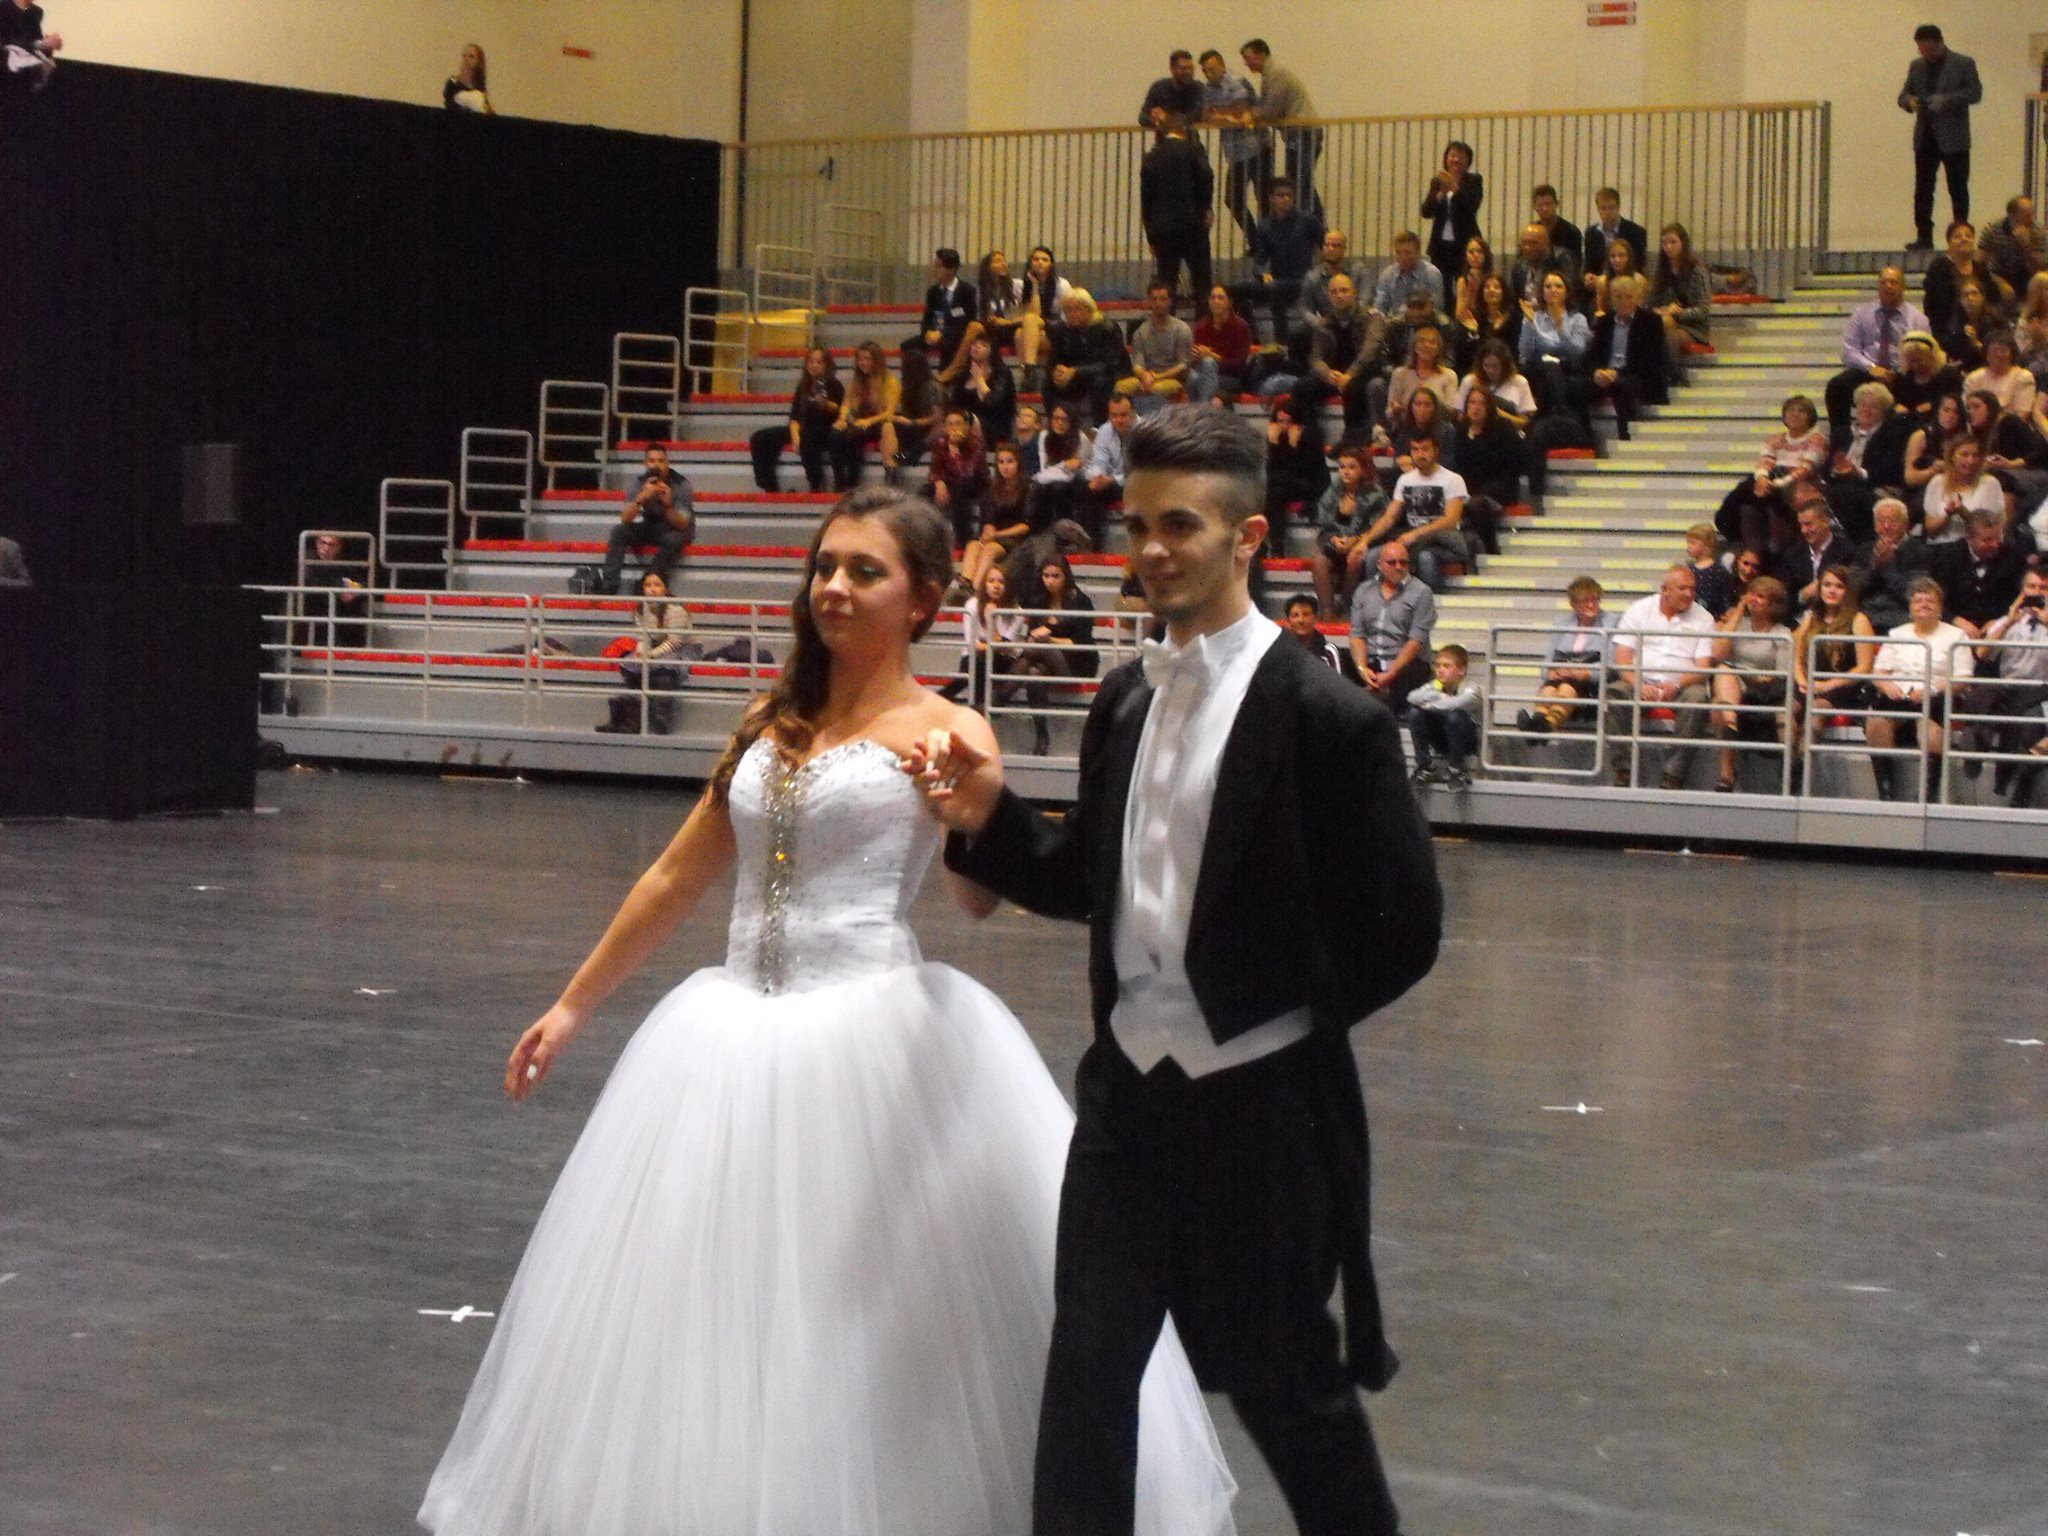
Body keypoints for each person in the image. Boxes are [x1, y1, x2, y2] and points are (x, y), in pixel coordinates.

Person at [423, 487, 1239, 1536]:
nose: (834, 588)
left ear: (923, 599)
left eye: (864, 571)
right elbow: (677, 874)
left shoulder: (951, 727)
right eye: (825, 566)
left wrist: (964, 812)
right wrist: (574, 1005)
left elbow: (975, 898)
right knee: (712, 1300)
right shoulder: (771, 720)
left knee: (850, 1306)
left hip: (869, 1034)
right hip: (726, 1035)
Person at [917, 407, 1442, 1536]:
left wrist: (1268, 1010)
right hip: (1123, 1107)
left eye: (1181, 526)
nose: (1151, 549)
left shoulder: (1331, 720)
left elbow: (1403, 929)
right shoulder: (1123, 699)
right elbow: (1086, 882)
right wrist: (986, 822)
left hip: (1264, 1113)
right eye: (1138, 524)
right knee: (1087, 1375)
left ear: (1247, 536)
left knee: (1286, 1382)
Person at [1609, 564, 1716, 789]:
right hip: (1640, 681)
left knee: (1697, 698)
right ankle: (1624, 770)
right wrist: (1639, 684)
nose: (1689, 594)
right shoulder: (1638, 610)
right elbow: (1622, 660)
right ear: (1665, 590)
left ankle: (1673, 775)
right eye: (1682, 588)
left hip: (1682, 685)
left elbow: (1703, 668)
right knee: (1614, 694)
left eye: (1692, 589)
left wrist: (1676, 685)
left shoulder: (1704, 618)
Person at [1866, 575, 1974, 798]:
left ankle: (1928, 795)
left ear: (1940, 608)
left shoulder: (1956, 635)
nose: (1924, 604)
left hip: (1936, 694)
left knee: (1929, 731)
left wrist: (1932, 689)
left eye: (1930, 600)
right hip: (1900, 694)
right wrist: (1887, 686)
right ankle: (1886, 793)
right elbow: (1878, 672)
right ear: (1910, 608)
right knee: (1875, 724)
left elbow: (1963, 678)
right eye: (1918, 600)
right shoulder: (1897, 634)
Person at [1898, 24, 1981, 251]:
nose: (1926, 54)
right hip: (1925, 135)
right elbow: (1903, 94)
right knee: (1923, 189)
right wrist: (1910, 102)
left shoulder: (1963, 63)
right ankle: (1924, 236)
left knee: (1958, 188)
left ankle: (1960, 236)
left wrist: (1946, 101)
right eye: (1921, 50)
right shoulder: (1916, 66)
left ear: (1940, 43)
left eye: (1929, 50)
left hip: (1954, 137)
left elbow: (1975, 93)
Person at [1707, 575, 1794, 791]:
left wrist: (1751, 676)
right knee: (1723, 673)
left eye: (1761, 596)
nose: (1753, 599)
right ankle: (1727, 765)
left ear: (1773, 604)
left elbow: (1781, 674)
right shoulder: (1738, 625)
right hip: (1735, 684)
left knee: (1720, 702)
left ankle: (1729, 767)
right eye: (1751, 594)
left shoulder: (1782, 633)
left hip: (1764, 688)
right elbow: (1717, 654)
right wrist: (1738, 612)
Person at [1716, 394, 1829, 554]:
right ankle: (1749, 545)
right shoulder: (1776, 439)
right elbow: (1765, 462)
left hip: (1797, 486)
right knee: (1748, 498)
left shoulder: (1817, 439)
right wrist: (1762, 479)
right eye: (1791, 411)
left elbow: (1806, 467)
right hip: (1772, 485)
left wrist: (1779, 482)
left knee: (1753, 486)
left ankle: (1745, 540)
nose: (1795, 414)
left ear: (1810, 416)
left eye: (1801, 411)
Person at [1014, 552, 1101, 755]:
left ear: (1066, 576)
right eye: (1046, 575)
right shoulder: (1038, 601)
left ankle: (1004, 693)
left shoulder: (1081, 601)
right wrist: (1035, 637)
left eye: (1056, 576)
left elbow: (1081, 642)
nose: (1050, 581)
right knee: (1034, 673)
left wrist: (1049, 639)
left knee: (1039, 648)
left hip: (1078, 662)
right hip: (1045, 660)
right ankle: (1042, 736)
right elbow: (1031, 637)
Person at [1361, 431, 1470, 591]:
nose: (1420, 454)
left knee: (1425, 558)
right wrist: (1365, 540)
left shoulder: (1452, 479)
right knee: (1373, 556)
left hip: (1444, 542)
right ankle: (1375, 601)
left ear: (1436, 451)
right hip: (1413, 541)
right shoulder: (1405, 480)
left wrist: (1416, 534)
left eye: (1425, 449)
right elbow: (1389, 517)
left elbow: (1450, 521)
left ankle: (1430, 601)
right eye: (1415, 449)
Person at [1824, 267, 1928, 432]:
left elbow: (1924, 353)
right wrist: (1871, 368)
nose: (1888, 286)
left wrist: (1897, 370)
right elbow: (1849, 350)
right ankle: (1841, 438)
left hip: (1901, 374)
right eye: (1883, 282)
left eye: (1893, 282)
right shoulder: (1861, 314)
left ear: (1903, 287)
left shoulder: (1917, 319)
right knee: (1837, 386)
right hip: (1868, 372)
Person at [1976, 568, 2048, 801]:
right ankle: (1975, 745)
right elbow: (1983, 653)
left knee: (2030, 722)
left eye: (2043, 588)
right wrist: (2009, 621)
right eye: (2031, 587)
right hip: (2009, 688)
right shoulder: (2007, 621)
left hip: (2040, 692)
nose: (2036, 592)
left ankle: (2016, 789)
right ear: (2022, 591)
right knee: (1982, 695)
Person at [594, 571, 694, 736]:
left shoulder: (676, 610)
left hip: (683, 648)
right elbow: (643, 637)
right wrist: (641, 652)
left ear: (665, 588)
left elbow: (674, 642)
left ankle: (661, 718)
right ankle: (629, 718)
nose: (652, 589)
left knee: (664, 666)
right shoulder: (641, 609)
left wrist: (651, 655)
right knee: (631, 663)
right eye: (648, 585)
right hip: (655, 646)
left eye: (657, 585)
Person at [1791, 564, 1879, 749]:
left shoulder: (1859, 619)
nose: (1832, 590)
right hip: (1809, 682)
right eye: (1827, 585)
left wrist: (1829, 685)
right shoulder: (1811, 618)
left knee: (1817, 709)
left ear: (1847, 591)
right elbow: (1796, 658)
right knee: (1787, 710)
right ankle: (1789, 763)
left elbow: (1864, 667)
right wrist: (1802, 681)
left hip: (1842, 687)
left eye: (1839, 586)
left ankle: (1803, 762)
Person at [1518, 576, 1613, 734]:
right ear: (1574, 604)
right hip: (1560, 678)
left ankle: (1540, 728)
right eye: (1585, 600)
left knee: (1567, 688)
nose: (1591, 605)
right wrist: (1550, 672)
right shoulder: (1561, 623)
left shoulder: (1611, 623)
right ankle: (1541, 724)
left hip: (1590, 684)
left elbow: (1611, 665)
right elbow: (1547, 661)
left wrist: (1584, 673)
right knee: (1549, 689)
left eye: (1595, 600)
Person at [1241, 38, 1322, 217]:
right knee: (1299, 184)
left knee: (1301, 185)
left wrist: (1251, 115)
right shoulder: (1272, 74)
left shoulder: (1276, 74)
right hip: (1300, 133)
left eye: (1248, 58)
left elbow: (1270, 110)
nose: (1246, 63)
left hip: (1303, 132)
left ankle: (1318, 227)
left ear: (1260, 54)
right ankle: (1316, 226)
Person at [1350, 541, 1437, 706]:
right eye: (1392, 562)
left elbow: (1416, 641)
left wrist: (1391, 674)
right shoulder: (1363, 590)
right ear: (1379, 565)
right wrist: (1362, 668)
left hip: (1407, 665)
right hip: (1372, 661)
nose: (1398, 567)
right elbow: (1357, 634)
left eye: (1403, 562)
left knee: (1394, 691)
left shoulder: (1422, 592)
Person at [1241, 178, 1323, 349]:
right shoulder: (1264, 226)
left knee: (1276, 290)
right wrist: (1263, 274)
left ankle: (1282, 342)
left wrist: (1319, 271)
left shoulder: (1307, 220)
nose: (1286, 199)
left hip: (1301, 280)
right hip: (1275, 280)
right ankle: (1253, 339)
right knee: (1235, 289)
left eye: (1289, 195)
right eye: (1280, 195)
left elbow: (1325, 244)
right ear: (1271, 198)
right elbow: (1259, 261)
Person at [1825, 381, 1913, 541]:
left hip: (1875, 488)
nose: (1866, 410)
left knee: (1847, 494)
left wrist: (1857, 472)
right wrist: (1837, 469)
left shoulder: (1892, 434)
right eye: (1862, 404)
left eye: (1873, 406)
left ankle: (1849, 542)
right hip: (1841, 486)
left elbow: (1890, 471)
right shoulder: (1841, 433)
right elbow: (1828, 467)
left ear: (1883, 411)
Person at [1309, 443, 1388, 618]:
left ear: (1363, 470)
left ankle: (1345, 606)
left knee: (1355, 559)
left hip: (1364, 545)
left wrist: (1357, 540)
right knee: (1319, 561)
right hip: (1335, 544)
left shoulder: (1375, 494)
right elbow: (1324, 523)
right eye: (1342, 467)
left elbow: (1379, 528)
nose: (1345, 472)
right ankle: (1327, 612)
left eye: (1352, 467)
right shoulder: (1334, 489)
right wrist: (1334, 539)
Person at [1141, 122, 1214, 308]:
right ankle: (1203, 321)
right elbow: (1206, 178)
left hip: (1163, 229)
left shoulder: (1152, 156)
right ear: (1184, 132)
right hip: (1193, 225)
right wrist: (1205, 208)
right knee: (1201, 281)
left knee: (1167, 282)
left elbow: (1146, 200)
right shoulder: (1193, 150)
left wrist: (1150, 234)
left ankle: (1168, 320)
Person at [1301, 273, 1384, 437]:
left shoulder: (1372, 317)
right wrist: (1327, 373)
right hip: (1335, 376)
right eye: (1334, 292)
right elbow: (1316, 357)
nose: (1339, 295)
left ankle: (1352, 436)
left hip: (1364, 373)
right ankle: (1311, 434)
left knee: (1352, 387)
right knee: (1302, 387)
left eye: (1344, 290)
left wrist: (1350, 374)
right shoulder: (1324, 323)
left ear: (1355, 293)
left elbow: (1370, 350)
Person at [601, 444, 692, 595]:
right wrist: (641, 498)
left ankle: (647, 581)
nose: (656, 465)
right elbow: (625, 518)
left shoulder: (681, 484)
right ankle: (609, 585)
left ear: (667, 463)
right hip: (650, 525)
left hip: (672, 528)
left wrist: (668, 505)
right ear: (646, 464)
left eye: (661, 461)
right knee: (619, 531)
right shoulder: (639, 482)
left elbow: (683, 524)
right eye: (652, 461)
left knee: (675, 539)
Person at [1198, 49, 1266, 244]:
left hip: (1256, 147)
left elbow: (1240, 114)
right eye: (1205, 71)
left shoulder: (1236, 82)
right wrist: (1225, 116)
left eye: (1212, 70)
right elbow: (1205, 115)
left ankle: (1267, 244)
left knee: (1263, 197)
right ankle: (1255, 240)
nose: (1208, 75)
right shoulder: (1208, 89)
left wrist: (1219, 113)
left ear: (1222, 66)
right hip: (1235, 152)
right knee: (1233, 198)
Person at [752, 346, 842, 492]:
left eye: (819, 362)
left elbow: (838, 411)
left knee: (809, 439)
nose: (813, 365)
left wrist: (825, 404)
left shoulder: (835, 385)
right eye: (810, 361)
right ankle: (768, 484)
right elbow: (795, 416)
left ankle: (816, 483)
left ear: (827, 365)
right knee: (760, 438)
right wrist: (795, 436)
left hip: (824, 430)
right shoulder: (803, 386)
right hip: (802, 428)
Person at [1589, 274, 1668, 440]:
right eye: (1618, 297)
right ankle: (1583, 440)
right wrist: (1596, 372)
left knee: (1622, 387)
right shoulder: (1604, 322)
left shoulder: (1651, 322)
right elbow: (1591, 356)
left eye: (1629, 297)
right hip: (1606, 375)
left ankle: (1625, 438)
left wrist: (1618, 373)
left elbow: (1650, 361)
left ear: (1638, 298)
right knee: (1576, 387)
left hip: (1637, 376)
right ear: (1611, 299)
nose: (1623, 302)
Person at [1446, 386, 1520, 556]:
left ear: (1489, 407)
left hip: (1499, 489)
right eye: (1472, 402)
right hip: (1468, 489)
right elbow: (1457, 467)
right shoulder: (1460, 431)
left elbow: (1515, 464)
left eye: (1481, 403)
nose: (1476, 407)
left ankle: (1490, 549)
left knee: (1475, 504)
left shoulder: (1503, 428)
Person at [1518, 270, 1592, 435]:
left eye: (1558, 286)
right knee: (1549, 369)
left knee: (1556, 377)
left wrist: (1561, 328)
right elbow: (1525, 352)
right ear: (1542, 292)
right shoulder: (1533, 317)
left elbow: (1578, 351)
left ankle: (1548, 424)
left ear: (1567, 291)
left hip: (1568, 369)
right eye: (1548, 286)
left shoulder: (1578, 319)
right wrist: (1529, 324)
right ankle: (1562, 415)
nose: (1553, 290)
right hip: (1539, 369)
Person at [1044, 290, 1131, 430]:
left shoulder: (1107, 327)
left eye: (1077, 309)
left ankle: (1100, 428)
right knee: (1049, 384)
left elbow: (1110, 364)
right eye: (1068, 310)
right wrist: (1056, 371)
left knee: (1100, 383)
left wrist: (1076, 371)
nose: (1073, 313)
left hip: (1109, 373)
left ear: (1089, 310)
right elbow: (1054, 357)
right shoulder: (1063, 330)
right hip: (1078, 374)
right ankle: (1055, 426)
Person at [1934, 509, 2028, 634]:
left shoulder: (2014, 556)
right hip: (1954, 629)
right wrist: (1955, 620)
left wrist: (2001, 620)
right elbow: (1935, 598)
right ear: (1969, 537)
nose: (1995, 544)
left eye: (1998, 538)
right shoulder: (1947, 557)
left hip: (2002, 628)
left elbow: (2020, 597)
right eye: (1987, 540)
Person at [1262, 392, 1329, 560]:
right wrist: (1273, 445)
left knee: (1274, 489)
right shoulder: (1275, 436)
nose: (1284, 426)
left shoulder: (1311, 435)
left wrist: (1293, 447)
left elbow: (1307, 470)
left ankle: (1276, 548)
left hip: (1310, 483)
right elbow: (1272, 469)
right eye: (1280, 421)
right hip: (1283, 484)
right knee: (1271, 489)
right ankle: (1269, 546)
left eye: (1288, 421)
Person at [1851, 496, 1934, 633]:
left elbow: (1914, 594)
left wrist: (1887, 567)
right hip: (1867, 616)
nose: (1886, 526)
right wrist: (1874, 567)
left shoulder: (1919, 551)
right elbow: (1853, 589)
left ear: (1905, 525)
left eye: (1893, 521)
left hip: (1903, 616)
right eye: (1881, 521)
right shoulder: (1864, 550)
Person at [963, 441, 1035, 597]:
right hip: (995, 536)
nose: (1005, 467)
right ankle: (965, 584)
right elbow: (987, 518)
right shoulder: (992, 488)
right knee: (973, 545)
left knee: (989, 550)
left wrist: (997, 534)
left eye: (1010, 461)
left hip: (1016, 538)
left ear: (1018, 463)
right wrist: (987, 528)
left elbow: (1027, 525)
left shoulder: (1029, 487)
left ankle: (975, 591)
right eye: (1001, 462)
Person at [1406, 643, 1482, 788]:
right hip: (1443, 739)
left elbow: (1456, 703)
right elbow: (1412, 697)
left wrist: (1431, 704)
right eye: (1438, 665)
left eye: (1447, 666)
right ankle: (1425, 767)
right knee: (1415, 713)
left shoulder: (1472, 689)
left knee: (1454, 716)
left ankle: (1457, 770)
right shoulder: (1436, 685)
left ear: (1461, 670)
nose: (1440, 670)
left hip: (1468, 743)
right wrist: (1437, 696)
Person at [829, 342, 902, 491]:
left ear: (877, 360)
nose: (862, 363)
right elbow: (846, 404)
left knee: (854, 434)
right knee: (836, 433)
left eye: (867, 358)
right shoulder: (857, 381)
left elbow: (890, 412)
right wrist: (842, 419)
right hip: (860, 422)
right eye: (860, 359)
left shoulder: (890, 381)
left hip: (881, 422)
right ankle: (839, 481)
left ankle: (853, 480)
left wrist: (868, 421)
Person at [1119, 280, 1196, 413]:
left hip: (1172, 379)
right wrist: (1144, 375)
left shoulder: (1181, 329)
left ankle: (1153, 422)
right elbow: (1137, 364)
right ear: (1149, 301)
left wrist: (1157, 377)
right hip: (1147, 377)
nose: (1158, 303)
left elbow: (1183, 365)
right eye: (1154, 299)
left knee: (1156, 389)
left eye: (1163, 299)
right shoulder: (1141, 331)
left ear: (1170, 302)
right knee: (1120, 387)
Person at [1923, 221, 2009, 339]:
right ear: (1949, 243)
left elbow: (1993, 298)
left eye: (1968, 236)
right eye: (1957, 237)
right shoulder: (1939, 267)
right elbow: (1934, 307)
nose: (1964, 239)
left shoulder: (1980, 268)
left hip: (1981, 327)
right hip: (1948, 329)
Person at [1647, 224, 1710, 382]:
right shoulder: (1660, 272)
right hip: (1665, 320)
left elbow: (1703, 310)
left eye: (1673, 242)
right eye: (1664, 243)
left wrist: (1679, 312)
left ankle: (1672, 375)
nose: (1668, 247)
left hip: (1694, 327)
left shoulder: (1698, 272)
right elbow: (1651, 305)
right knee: (1662, 322)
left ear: (1683, 243)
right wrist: (1663, 310)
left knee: (1668, 328)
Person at [1774, 492, 1854, 616]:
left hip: (1835, 617)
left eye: (1808, 524)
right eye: (1801, 525)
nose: (1803, 530)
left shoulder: (1846, 551)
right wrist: (1803, 595)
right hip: (1797, 618)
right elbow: (1782, 600)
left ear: (1826, 522)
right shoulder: (1792, 555)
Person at [1078, 393, 1139, 548]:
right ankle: (1090, 544)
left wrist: (1111, 480)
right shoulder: (1105, 430)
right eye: (1114, 415)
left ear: (1133, 413)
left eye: (1123, 415)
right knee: (1083, 488)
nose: (1118, 420)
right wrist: (1097, 478)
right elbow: (1098, 462)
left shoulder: (1146, 431)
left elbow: (1141, 470)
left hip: (1139, 483)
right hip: (1112, 482)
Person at [1421, 142, 1483, 286]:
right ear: (1446, 158)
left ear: (1468, 160)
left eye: (1461, 156)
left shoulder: (1473, 180)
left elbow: (1471, 207)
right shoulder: (1437, 182)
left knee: (1466, 284)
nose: (1456, 160)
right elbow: (1426, 212)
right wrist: (1440, 193)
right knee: (1442, 286)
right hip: (1440, 245)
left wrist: (1454, 187)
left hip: (1464, 244)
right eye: (1452, 156)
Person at [907, 249, 978, 374]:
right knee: (908, 345)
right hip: (935, 334)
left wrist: (943, 334)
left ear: (950, 270)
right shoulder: (933, 292)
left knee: (951, 345)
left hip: (955, 336)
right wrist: (928, 333)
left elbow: (969, 322)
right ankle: (919, 378)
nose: (933, 269)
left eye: (938, 266)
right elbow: (927, 319)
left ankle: (945, 377)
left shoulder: (967, 291)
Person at [929, 408, 991, 548]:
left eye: (958, 424)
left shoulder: (976, 444)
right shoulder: (940, 443)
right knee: (924, 492)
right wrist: (939, 482)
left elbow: (966, 473)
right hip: (949, 482)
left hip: (975, 484)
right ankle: (928, 535)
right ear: (944, 428)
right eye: (950, 424)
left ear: (967, 427)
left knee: (959, 490)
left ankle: (963, 539)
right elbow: (934, 469)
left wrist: (954, 449)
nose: (954, 428)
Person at [1922, 436, 2003, 543]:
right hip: (1940, 546)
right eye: (1964, 454)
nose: (1970, 460)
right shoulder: (1937, 482)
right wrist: (1948, 515)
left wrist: (1964, 513)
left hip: (1974, 547)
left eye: (1975, 455)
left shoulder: (1990, 484)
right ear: (1952, 457)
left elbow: (1988, 530)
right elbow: (1931, 532)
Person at [1582, 189, 1648, 308]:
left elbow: (1638, 264)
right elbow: (1589, 265)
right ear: (1598, 209)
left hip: (1628, 282)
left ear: (1618, 207)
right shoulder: (1591, 233)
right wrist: (1588, 277)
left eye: (1611, 208)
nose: (1607, 212)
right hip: (1600, 285)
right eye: (1603, 208)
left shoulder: (1636, 232)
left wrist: (1611, 279)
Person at [950, 333, 1019, 446]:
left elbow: (991, 403)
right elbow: (954, 403)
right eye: (974, 344)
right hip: (964, 422)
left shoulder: (1001, 373)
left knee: (965, 421)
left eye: (983, 345)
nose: (976, 347)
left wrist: (979, 379)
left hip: (994, 424)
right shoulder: (963, 374)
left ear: (992, 351)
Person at [1189, 285, 1253, 406]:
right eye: (1212, 298)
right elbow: (1195, 362)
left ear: (1229, 302)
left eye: (1220, 298)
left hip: (1231, 378)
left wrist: (1212, 356)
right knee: (1194, 378)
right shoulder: (1201, 327)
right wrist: (1196, 357)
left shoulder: (1241, 326)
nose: (1216, 301)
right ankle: (1204, 409)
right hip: (1204, 374)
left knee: (1207, 366)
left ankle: (1202, 410)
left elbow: (1239, 364)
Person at [1018, 247, 1073, 386]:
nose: (1040, 262)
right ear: (1030, 263)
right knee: (1019, 334)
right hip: (1038, 331)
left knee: (1028, 322)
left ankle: (1029, 374)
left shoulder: (1062, 285)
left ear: (1051, 264)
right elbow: (1034, 315)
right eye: (1036, 259)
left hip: (1059, 332)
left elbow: (1067, 319)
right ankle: (1029, 374)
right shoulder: (1025, 285)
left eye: (1045, 260)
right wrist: (1035, 286)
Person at [1281, 592, 1359, 680]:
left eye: (1306, 615)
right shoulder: (1279, 651)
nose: (1301, 620)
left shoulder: (1329, 651)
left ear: (1315, 618)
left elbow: (1336, 685)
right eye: (1295, 615)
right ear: (1288, 621)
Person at [1981, 198, 2046, 300]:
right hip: (1999, 274)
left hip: (2027, 274)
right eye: (2026, 215)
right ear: (2012, 215)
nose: (2031, 219)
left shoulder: (2038, 231)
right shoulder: (1992, 229)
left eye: (2032, 214)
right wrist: (1999, 281)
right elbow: (1979, 262)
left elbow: (2040, 267)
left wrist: (2027, 246)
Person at [1372, 232, 1444, 320]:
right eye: (1398, 253)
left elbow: (1436, 308)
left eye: (1407, 253)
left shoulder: (1432, 274)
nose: (1402, 257)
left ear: (1418, 253)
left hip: (1424, 321)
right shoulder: (1387, 274)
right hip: (1395, 323)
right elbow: (1380, 306)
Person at [1137, 49, 1205, 131]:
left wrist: (1166, 118)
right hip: (1164, 138)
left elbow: (1196, 115)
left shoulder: (1198, 88)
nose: (1188, 72)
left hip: (1190, 138)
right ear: (1172, 69)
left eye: (1191, 68)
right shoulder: (1159, 88)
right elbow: (1142, 117)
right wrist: (1154, 117)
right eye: (1183, 68)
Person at [1, 0, 60, 92]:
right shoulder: (3, 8)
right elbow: (7, 41)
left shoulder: (36, 12)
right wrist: (41, 44)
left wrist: (49, 46)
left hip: (27, 61)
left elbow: (34, 41)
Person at [1528, 184, 1583, 270]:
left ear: (1556, 204)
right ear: (1535, 207)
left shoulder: (1571, 232)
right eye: (1540, 205)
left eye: (1548, 204)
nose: (1544, 209)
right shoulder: (1530, 234)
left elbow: (1575, 265)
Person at [443, 43, 492, 114]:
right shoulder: (452, 83)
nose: (466, 59)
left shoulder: (479, 90)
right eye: (464, 56)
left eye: (471, 56)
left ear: (478, 62)